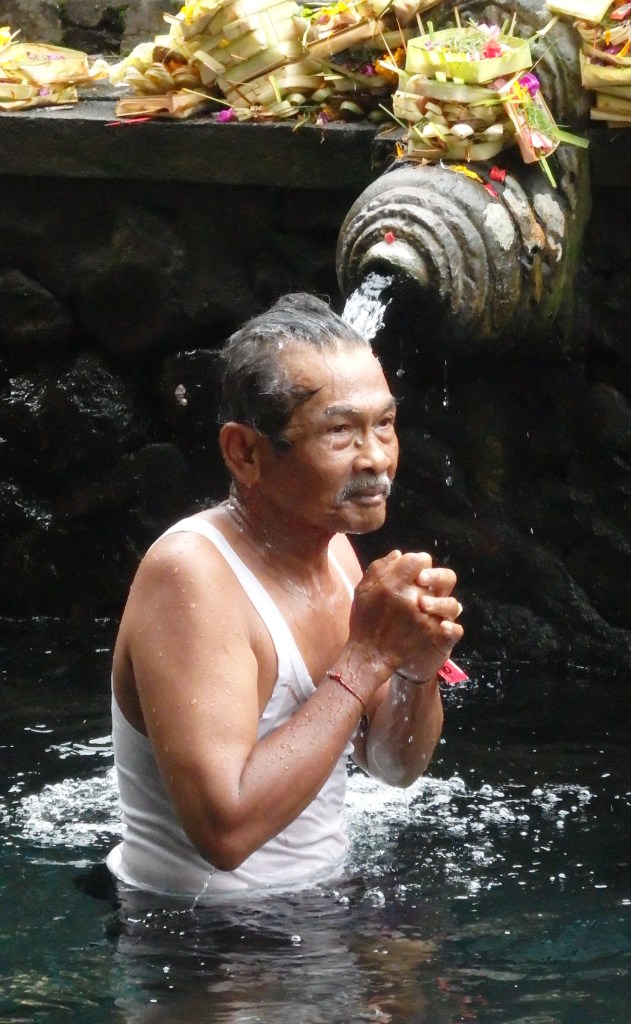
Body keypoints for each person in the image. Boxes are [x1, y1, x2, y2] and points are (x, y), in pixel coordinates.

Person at [106, 292, 464, 897]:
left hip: (319, 906)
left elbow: (394, 767)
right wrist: (367, 658)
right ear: (245, 452)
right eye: (341, 432)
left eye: (384, 424)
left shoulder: (336, 550)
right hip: (199, 939)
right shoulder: (190, 575)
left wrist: (416, 671)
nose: (376, 458)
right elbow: (226, 831)